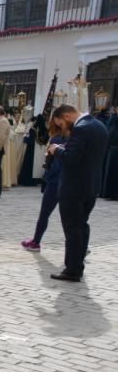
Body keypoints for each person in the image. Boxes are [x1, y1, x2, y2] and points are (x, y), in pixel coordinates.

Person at [47, 104, 109, 282]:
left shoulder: (81, 129)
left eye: (60, 124)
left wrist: (56, 149)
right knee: (82, 225)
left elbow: (71, 157)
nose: (61, 128)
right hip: (91, 186)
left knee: (73, 228)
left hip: (74, 188)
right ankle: (78, 263)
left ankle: (73, 269)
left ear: (66, 116)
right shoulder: (98, 126)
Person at [21, 123, 67, 252]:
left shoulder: (56, 139)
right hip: (71, 181)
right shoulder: (75, 138)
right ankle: (80, 245)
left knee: (45, 213)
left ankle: (36, 241)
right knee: (71, 217)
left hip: (56, 181)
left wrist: (47, 177)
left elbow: (51, 163)